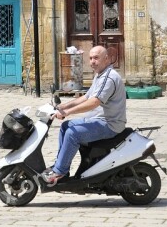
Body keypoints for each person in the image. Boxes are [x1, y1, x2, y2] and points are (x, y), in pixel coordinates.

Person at [41, 45, 126, 185]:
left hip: (110, 124)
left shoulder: (109, 78)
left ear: (106, 59)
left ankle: (59, 171)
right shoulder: (100, 75)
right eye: (91, 58)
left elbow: (94, 102)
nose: (92, 61)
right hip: (99, 120)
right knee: (66, 126)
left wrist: (68, 112)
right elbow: (86, 97)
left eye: (96, 58)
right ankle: (61, 167)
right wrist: (63, 106)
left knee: (73, 134)